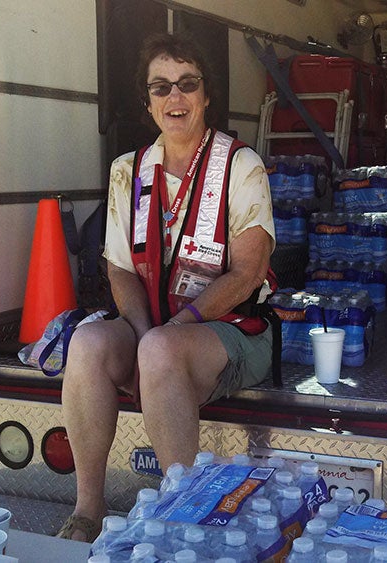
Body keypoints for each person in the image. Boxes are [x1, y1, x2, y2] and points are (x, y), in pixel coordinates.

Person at [56, 33, 276, 542]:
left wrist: (170, 330)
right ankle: (88, 510)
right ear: (148, 102)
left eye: (187, 84)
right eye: (161, 87)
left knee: (158, 349)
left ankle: (182, 520)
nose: (174, 96)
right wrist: (140, 331)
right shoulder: (127, 171)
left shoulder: (241, 165)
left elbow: (247, 272)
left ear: (206, 95)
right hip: (152, 329)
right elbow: (119, 269)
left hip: (233, 332)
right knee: (87, 343)